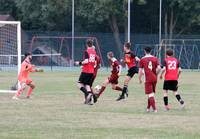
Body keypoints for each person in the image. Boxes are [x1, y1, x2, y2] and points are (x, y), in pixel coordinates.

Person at [138, 47, 161, 112]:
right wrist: (155, 74)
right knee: (151, 93)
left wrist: (139, 78)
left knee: (150, 94)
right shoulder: (155, 58)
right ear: (150, 51)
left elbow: (140, 71)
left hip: (147, 79)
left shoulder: (142, 59)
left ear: (144, 51)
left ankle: (155, 109)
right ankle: (148, 108)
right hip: (154, 78)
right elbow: (159, 68)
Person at [75, 39, 97, 104]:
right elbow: (94, 62)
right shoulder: (94, 52)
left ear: (86, 44)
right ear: (92, 44)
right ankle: (90, 101)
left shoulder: (87, 51)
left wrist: (79, 63)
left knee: (79, 84)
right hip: (91, 72)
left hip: (86, 71)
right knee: (87, 85)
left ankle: (87, 94)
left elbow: (87, 61)